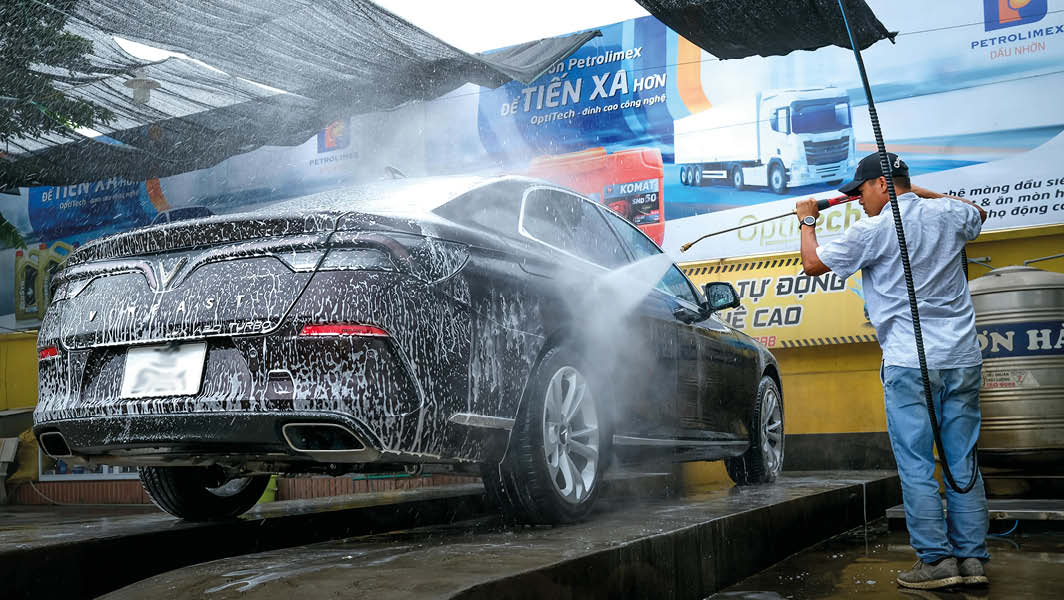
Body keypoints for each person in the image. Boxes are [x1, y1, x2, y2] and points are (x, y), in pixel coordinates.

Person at [795, 152, 989, 591]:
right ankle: (972, 562)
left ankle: (937, 563)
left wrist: (807, 221)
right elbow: (977, 212)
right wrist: (913, 191)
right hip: (961, 359)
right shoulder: (948, 213)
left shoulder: (874, 228)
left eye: (860, 191)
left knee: (917, 464)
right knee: (963, 462)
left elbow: (812, 263)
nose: (856, 201)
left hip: (909, 362)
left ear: (881, 184)